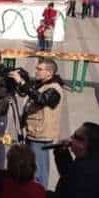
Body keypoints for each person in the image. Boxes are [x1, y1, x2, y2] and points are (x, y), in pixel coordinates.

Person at [10, 59, 63, 188]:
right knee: (31, 167)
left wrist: (22, 82)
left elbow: (41, 99)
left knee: (40, 170)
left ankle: (41, 196)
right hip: (33, 132)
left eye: (40, 69)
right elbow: (25, 92)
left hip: (41, 135)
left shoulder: (54, 88)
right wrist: (23, 78)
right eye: (36, 68)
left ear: (49, 72)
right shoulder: (41, 83)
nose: (36, 71)